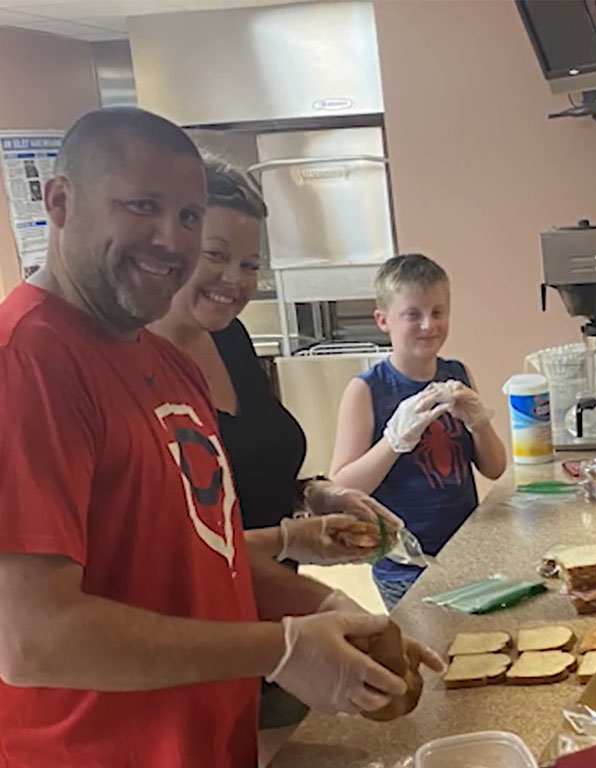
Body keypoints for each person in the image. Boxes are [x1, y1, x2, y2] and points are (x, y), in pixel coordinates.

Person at [0, 107, 442, 768]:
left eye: (187, 217)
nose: (170, 240)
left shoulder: (168, 361)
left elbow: (210, 562)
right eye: (142, 206)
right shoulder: (27, 363)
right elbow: (33, 640)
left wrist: (333, 611)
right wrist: (281, 648)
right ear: (59, 201)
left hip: (207, 743)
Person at [148, 159, 411, 756]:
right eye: (215, 255)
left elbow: (248, 469)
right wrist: (292, 543)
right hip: (213, 641)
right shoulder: (140, 371)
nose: (233, 280)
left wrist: (313, 494)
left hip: (280, 617)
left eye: (249, 264)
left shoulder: (230, 338)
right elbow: (180, 549)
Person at [330, 254, 507, 609]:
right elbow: (340, 486)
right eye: (413, 314)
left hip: (464, 552)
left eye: (438, 312)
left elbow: (494, 468)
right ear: (383, 320)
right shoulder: (366, 389)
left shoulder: (455, 373)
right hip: (404, 566)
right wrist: (393, 441)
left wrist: (478, 421)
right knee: (428, 657)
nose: (429, 325)